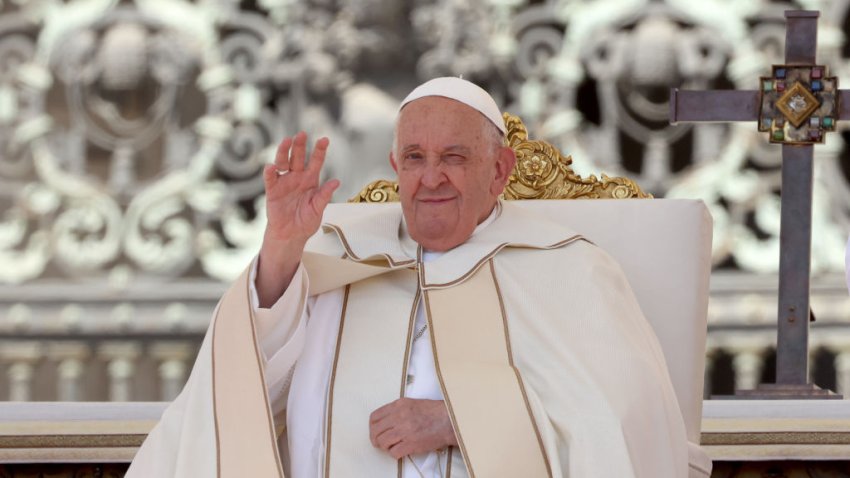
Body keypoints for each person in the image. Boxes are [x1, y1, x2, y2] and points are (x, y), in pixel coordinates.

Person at [127, 77, 688, 477]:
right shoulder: (339, 255)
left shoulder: (568, 266)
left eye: (454, 157)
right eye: (415, 158)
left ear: (499, 171)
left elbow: (625, 421)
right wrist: (280, 247)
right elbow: (245, 380)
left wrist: (462, 420)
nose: (432, 178)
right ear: (396, 168)